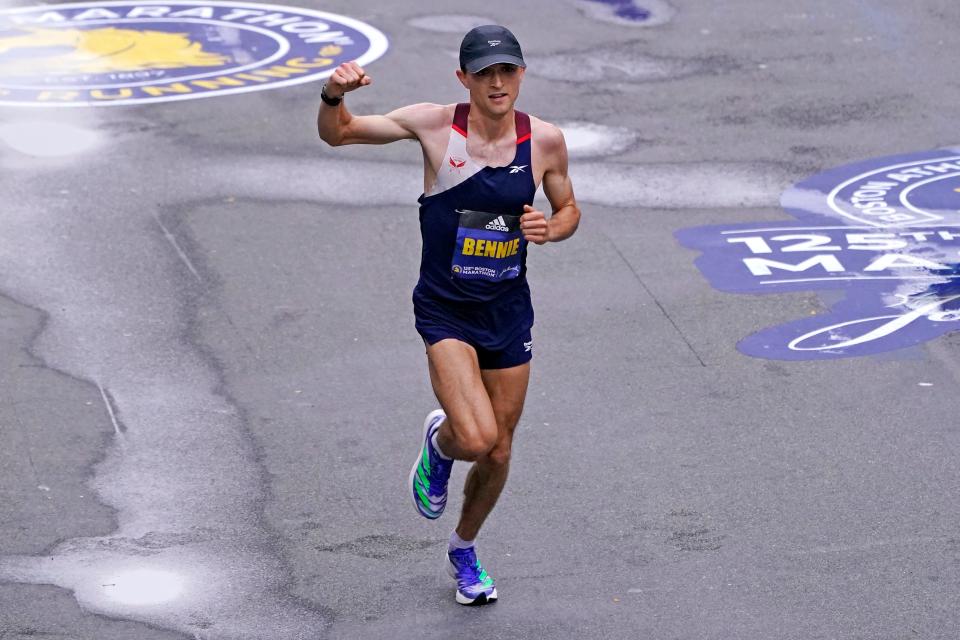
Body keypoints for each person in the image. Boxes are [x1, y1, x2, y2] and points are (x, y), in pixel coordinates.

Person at [317, 24, 580, 606]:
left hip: (508, 310)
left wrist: (550, 229)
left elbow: (567, 208)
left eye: (506, 70)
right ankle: (440, 442)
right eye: (483, 72)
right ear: (463, 79)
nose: (496, 82)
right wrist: (335, 95)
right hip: (447, 312)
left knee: (500, 449)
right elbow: (339, 135)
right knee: (476, 435)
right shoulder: (434, 126)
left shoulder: (546, 141)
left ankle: (464, 550)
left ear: (521, 75)